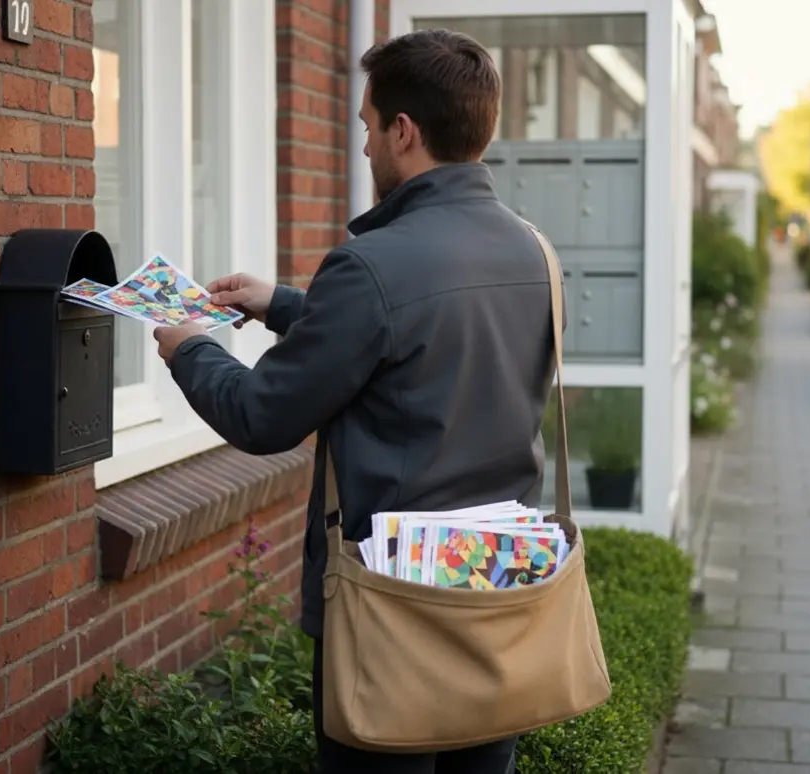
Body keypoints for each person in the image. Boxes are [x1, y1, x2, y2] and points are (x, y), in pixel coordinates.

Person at [152, 27, 559, 774]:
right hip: (498, 584)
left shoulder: (370, 265)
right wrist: (281, 304)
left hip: (392, 603)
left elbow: (262, 416)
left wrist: (191, 349)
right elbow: (428, 336)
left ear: (405, 133)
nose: (365, 144)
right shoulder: (533, 251)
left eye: (369, 126)